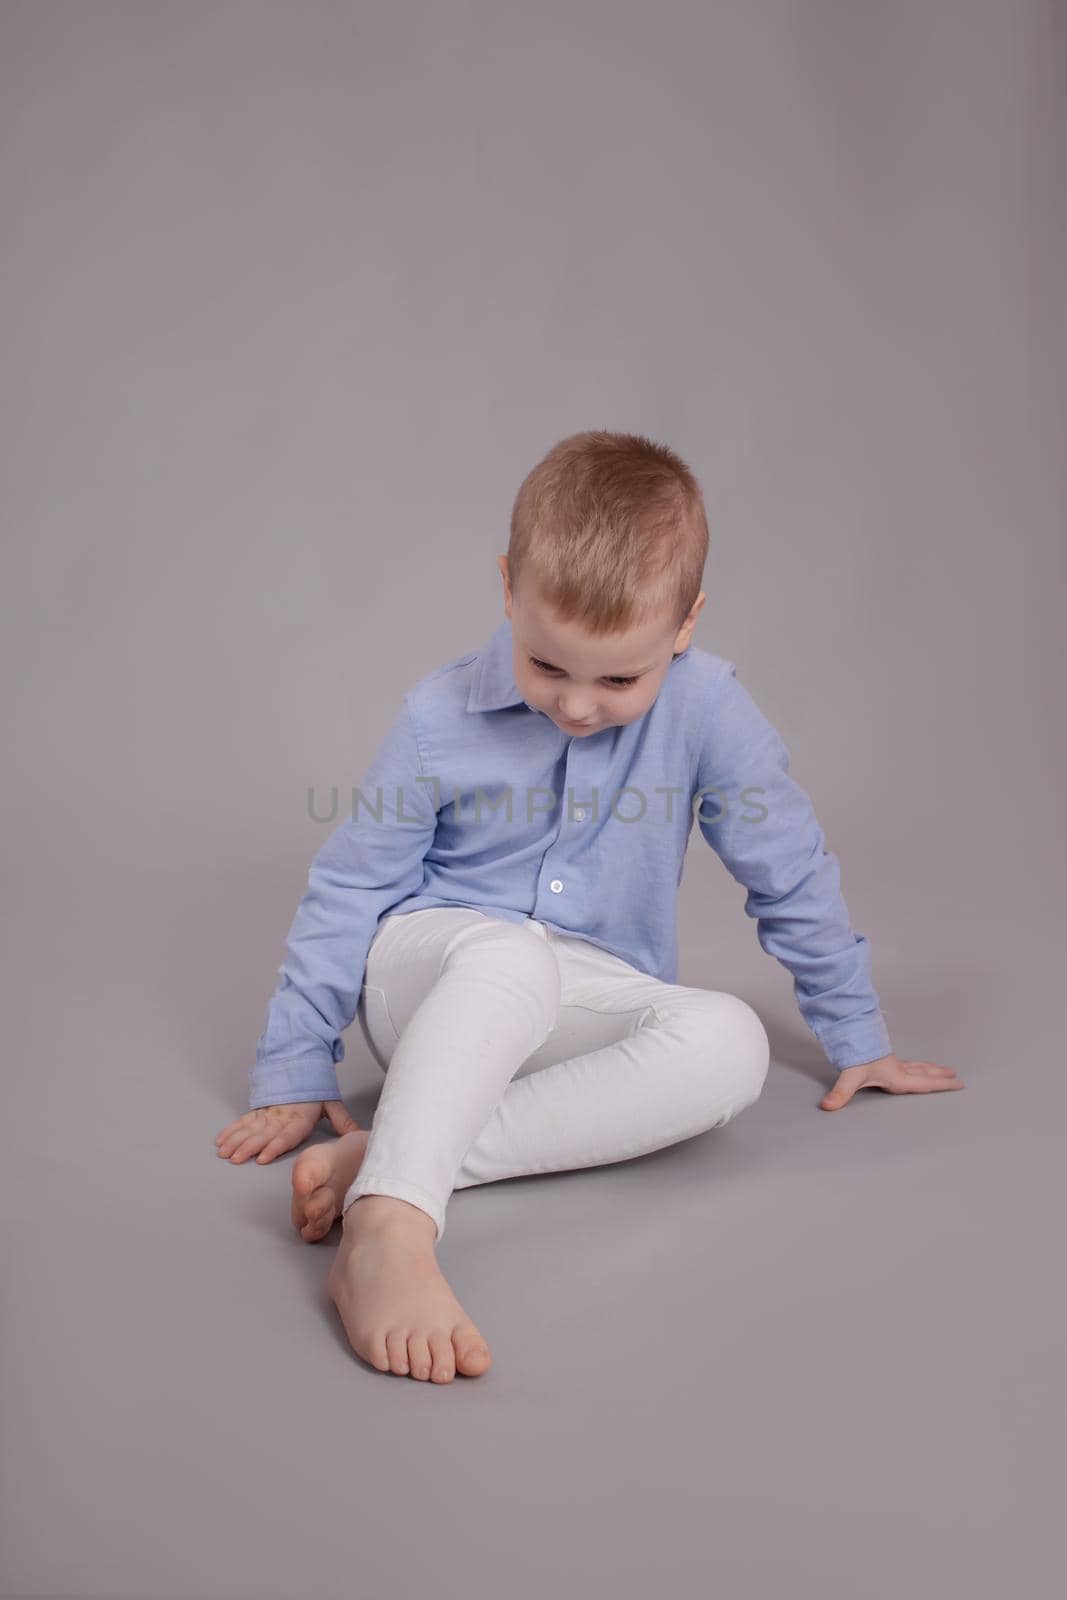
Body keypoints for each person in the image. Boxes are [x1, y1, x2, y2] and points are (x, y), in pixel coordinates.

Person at [214, 429, 964, 1384]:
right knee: (509, 960)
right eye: (545, 667)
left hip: (586, 990)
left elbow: (789, 869)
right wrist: (294, 1059)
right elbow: (350, 888)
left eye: (618, 680)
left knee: (727, 1042)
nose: (574, 708)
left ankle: (391, 1152)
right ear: (507, 590)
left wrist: (856, 1032)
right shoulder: (434, 717)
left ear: (685, 624)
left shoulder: (711, 711)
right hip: (439, 975)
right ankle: (389, 1231)